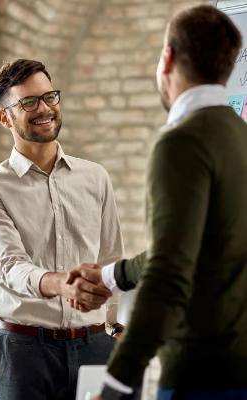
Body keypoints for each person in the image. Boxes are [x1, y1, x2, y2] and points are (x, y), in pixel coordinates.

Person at [88, 5, 247, 400]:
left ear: (168, 58)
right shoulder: (240, 136)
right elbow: (196, 246)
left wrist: (117, 379)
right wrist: (112, 276)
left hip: (199, 373)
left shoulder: (182, 142)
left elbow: (170, 272)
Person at [0, 58, 125, 400]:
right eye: (28, 102)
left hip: (96, 346)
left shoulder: (95, 177)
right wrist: (64, 285)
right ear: (5, 116)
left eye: (49, 97)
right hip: (24, 352)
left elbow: (112, 256)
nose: (44, 109)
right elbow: (11, 267)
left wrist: (116, 324)